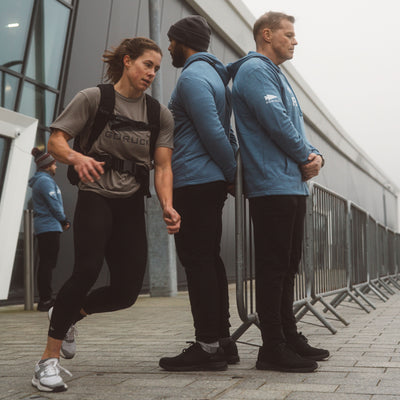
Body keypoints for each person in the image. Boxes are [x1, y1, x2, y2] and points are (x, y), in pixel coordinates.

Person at [31, 37, 181, 393]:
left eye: (157, 68)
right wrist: (77, 158)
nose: (152, 73)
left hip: (130, 201)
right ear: (128, 62)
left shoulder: (158, 114)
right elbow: (56, 142)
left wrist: (167, 205)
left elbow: (162, 167)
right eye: (148, 64)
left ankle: (67, 314)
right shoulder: (93, 98)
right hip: (95, 195)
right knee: (86, 269)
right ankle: (46, 363)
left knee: (127, 291)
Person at [227, 11, 329, 373]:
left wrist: (317, 155)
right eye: (289, 34)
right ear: (267, 35)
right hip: (272, 184)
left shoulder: (276, 76)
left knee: (288, 267)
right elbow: (277, 123)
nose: (295, 40)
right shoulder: (255, 70)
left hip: (290, 183)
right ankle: (272, 346)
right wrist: (306, 155)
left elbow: (294, 124)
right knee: (273, 268)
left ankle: (288, 335)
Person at [158, 15, 238, 372]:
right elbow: (227, 132)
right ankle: (222, 341)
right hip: (209, 183)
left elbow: (213, 133)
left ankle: (207, 347)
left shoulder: (192, 77)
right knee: (210, 260)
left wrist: (232, 175)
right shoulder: (215, 76)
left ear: (182, 41)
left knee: (198, 262)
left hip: (194, 182)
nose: (168, 47)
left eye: (171, 41)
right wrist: (228, 175)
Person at [29, 148, 70, 312]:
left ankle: (45, 298)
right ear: (47, 165)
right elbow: (54, 204)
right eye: (54, 164)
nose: (56, 167)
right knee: (47, 263)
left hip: (46, 226)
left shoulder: (43, 180)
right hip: (49, 226)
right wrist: (64, 220)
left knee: (47, 263)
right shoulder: (45, 182)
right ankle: (45, 300)